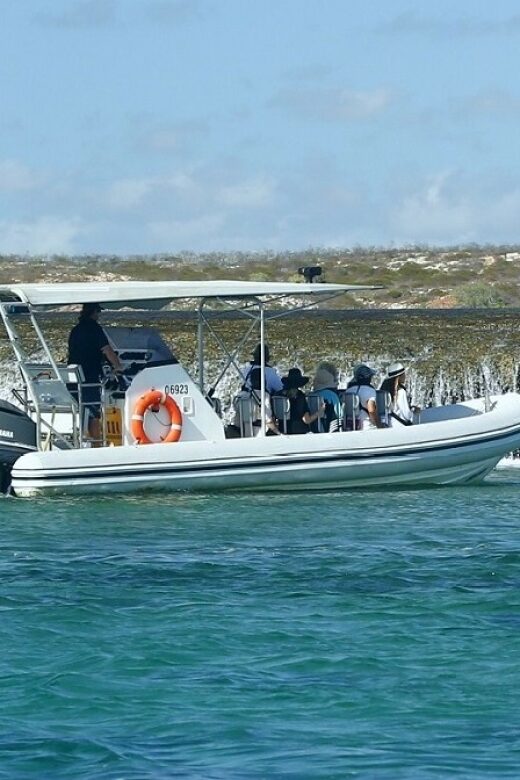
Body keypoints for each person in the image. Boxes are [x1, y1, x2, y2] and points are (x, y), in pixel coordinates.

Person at [68, 303, 123, 444]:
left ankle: (79, 441)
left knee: (80, 410)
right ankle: (96, 444)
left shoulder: (75, 330)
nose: (99, 315)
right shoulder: (95, 329)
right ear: (93, 312)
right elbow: (107, 350)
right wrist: (118, 367)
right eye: (98, 312)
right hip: (89, 376)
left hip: (73, 377)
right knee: (94, 412)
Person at [275, 367, 324, 435]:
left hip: (282, 430)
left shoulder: (278, 395)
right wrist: (320, 411)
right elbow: (306, 420)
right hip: (299, 431)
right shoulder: (300, 396)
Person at [344, 364, 385, 430]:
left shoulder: (348, 391)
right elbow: (371, 410)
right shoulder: (370, 391)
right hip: (367, 427)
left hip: (351, 427)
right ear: (368, 377)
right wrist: (379, 426)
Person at [311, 362, 341, 432]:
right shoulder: (331, 395)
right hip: (328, 427)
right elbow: (339, 413)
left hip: (314, 427)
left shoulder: (312, 395)